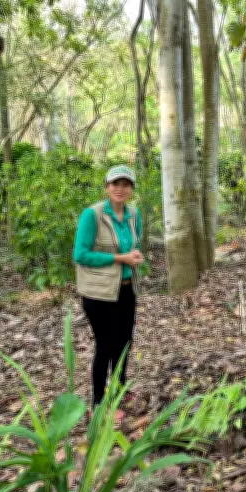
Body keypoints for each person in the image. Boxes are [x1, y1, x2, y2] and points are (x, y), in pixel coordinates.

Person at [73, 165, 144, 419]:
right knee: (105, 346)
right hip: (98, 293)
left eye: (126, 184)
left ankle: (120, 389)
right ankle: (99, 402)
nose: (120, 189)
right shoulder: (92, 215)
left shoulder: (134, 214)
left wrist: (134, 255)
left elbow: (136, 243)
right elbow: (80, 255)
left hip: (126, 289)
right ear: (106, 187)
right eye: (115, 184)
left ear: (132, 189)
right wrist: (120, 257)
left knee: (124, 343)